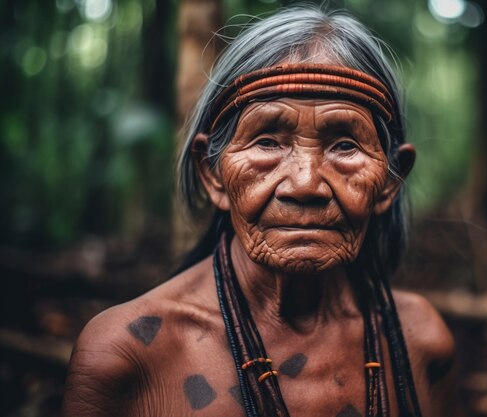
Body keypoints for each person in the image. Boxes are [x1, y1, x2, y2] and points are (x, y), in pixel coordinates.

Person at [61, 6, 456, 417]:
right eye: (267, 142)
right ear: (213, 175)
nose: (305, 185)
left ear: (390, 182)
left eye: (345, 146)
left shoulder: (421, 342)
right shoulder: (125, 357)